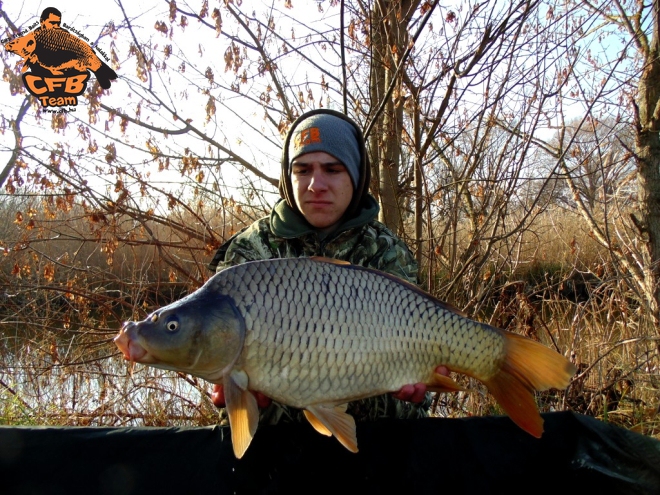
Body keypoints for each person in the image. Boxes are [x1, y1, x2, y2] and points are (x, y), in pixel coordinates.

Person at [208, 108, 448, 424]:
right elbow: (226, 385)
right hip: (277, 459)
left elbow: (411, 408)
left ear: (357, 176)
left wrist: (406, 396)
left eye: (333, 169)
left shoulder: (386, 252)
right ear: (287, 176)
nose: (315, 184)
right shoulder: (249, 253)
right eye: (303, 169)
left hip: (371, 454)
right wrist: (232, 395)